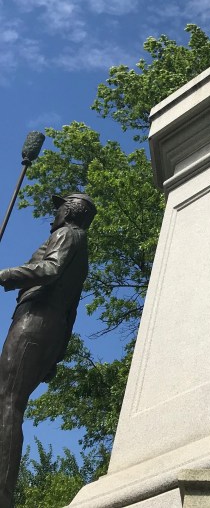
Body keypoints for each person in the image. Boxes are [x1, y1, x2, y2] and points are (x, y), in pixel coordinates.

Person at [0, 192, 96, 508]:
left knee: (6, 402)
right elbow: (73, 309)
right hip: (48, 327)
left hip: (35, 320)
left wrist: (5, 275)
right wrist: (57, 354)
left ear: (70, 212)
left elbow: (50, 269)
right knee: (9, 402)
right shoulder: (80, 246)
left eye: (58, 209)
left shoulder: (67, 234)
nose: (53, 216)